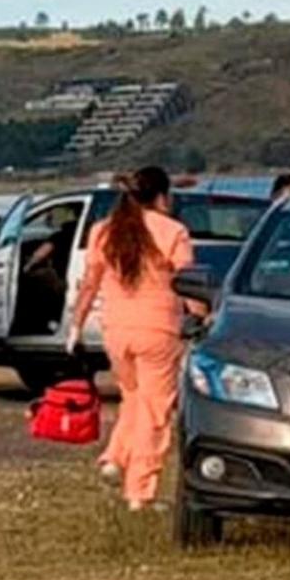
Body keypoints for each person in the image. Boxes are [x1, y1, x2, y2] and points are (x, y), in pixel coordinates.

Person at [68, 167, 201, 511]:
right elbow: (188, 283)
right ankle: (140, 491)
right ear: (161, 197)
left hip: (116, 330)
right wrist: (203, 315)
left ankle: (116, 455)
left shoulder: (103, 231)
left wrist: (76, 327)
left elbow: (89, 284)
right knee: (155, 411)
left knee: (134, 398)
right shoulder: (173, 231)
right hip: (158, 329)